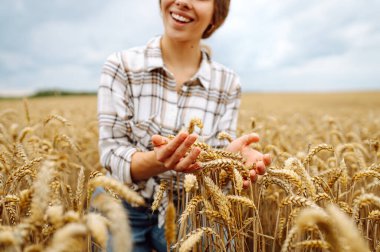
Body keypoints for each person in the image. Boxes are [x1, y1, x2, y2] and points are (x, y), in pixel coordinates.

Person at [97, 0, 271, 251]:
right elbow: (111, 154)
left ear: (216, 14)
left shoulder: (227, 82)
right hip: (122, 203)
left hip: (191, 206)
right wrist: (159, 160)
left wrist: (234, 160)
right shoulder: (121, 66)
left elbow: (219, 153)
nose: (182, 1)